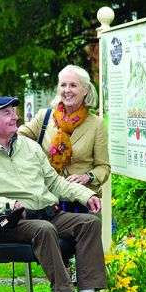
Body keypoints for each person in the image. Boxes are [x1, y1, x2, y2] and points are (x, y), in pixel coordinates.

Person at [0, 96, 125, 292]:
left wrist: (86, 195)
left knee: (89, 223)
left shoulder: (29, 147)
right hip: (12, 223)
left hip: (47, 212)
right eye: (6, 113)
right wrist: (5, 204)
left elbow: (54, 182)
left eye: (14, 111)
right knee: (44, 229)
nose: (15, 116)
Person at [18, 65, 110, 213]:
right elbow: (16, 136)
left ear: (85, 90)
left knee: (86, 234)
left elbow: (103, 167)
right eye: (63, 85)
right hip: (47, 199)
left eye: (73, 85)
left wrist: (87, 177)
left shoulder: (96, 124)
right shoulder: (45, 117)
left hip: (82, 200)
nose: (67, 90)